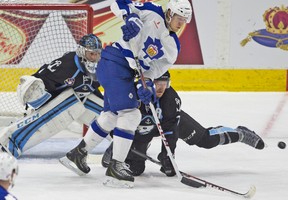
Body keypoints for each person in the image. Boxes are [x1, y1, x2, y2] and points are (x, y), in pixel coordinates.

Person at [60, 0, 193, 187]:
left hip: (127, 72)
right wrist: (130, 17)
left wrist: (145, 83)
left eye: (184, 21)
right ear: (170, 12)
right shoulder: (152, 11)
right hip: (114, 60)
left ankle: (77, 154)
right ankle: (116, 168)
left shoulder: (173, 46)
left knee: (111, 115)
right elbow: (120, 3)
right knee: (131, 115)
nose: (181, 24)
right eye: (179, 18)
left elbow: (154, 70)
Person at [101, 71, 265, 177]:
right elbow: (112, 120)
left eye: (164, 84)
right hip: (138, 132)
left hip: (166, 124)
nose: (161, 88)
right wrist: (119, 142)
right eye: (157, 83)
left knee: (206, 140)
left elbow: (171, 131)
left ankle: (241, 133)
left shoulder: (170, 100)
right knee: (135, 169)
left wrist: (167, 157)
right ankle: (116, 149)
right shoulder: (129, 96)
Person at [0, 34, 104, 158]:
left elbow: (93, 90)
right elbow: (38, 81)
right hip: (54, 100)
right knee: (70, 103)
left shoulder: (101, 68)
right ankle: (8, 142)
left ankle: (125, 144)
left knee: (107, 115)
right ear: (82, 51)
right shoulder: (67, 65)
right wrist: (39, 102)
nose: (94, 58)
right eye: (91, 54)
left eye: (97, 54)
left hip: (78, 99)